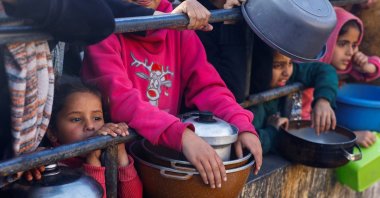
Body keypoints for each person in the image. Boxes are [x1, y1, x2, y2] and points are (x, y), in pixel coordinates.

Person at [82, 0, 263, 189]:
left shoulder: (178, 27)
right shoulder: (104, 32)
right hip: (116, 164)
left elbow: (207, 86)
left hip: (162, 160)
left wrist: (240, 123)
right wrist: (181, 135)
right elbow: (122, 99)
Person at [38, 80, 141, 198]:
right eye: (76, 119)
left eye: (97, 118)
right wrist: (93, 161)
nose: (90, 126)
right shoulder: (51, 169)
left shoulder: (106, 152)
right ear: (52, 132)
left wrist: (121, 154)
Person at [302, 7, 380, 148]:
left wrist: (366, 66)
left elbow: (375, 67)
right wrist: (352, 136)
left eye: (354, 45)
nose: (350, 52)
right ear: (327, 42)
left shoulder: (344, 68)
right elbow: (308, 127)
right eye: (342, 44)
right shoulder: (308, 72)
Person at [248, 37, 338, 154]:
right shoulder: (252, 102)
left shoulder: (292, 75)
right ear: (260, 66)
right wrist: (273, 131)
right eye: (277, 66)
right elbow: (251, 144)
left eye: (290, 63)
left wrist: (323, 100)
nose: (286, 72)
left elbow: (325, 70)